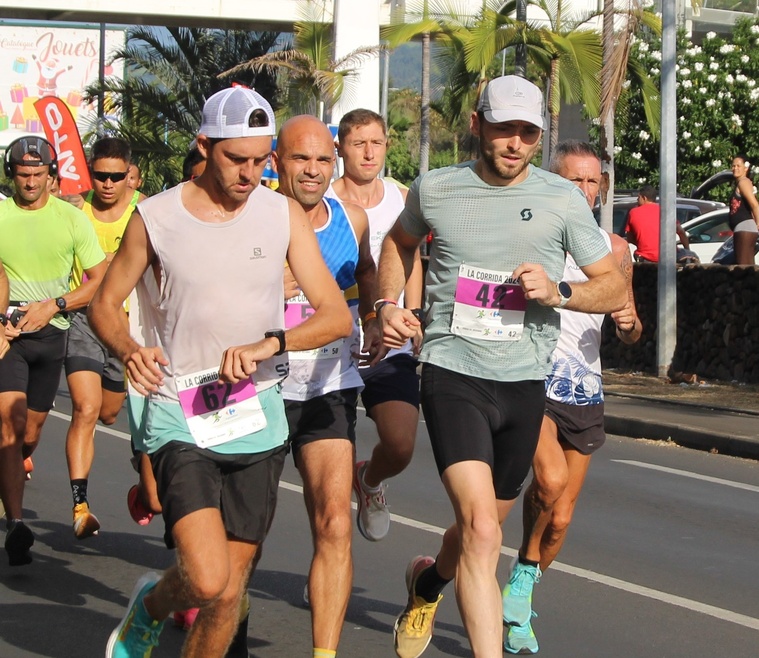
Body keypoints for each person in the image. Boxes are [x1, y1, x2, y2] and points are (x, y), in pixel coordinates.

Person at [89, 87, 352, 658]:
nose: (251, 173)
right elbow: (104, 305)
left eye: (262, 161)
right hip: (177, 409)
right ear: (204, 146)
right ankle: (155, 605)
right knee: (206, 578)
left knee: (228, 594)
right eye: (237, 159)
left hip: (254, 412)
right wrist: (129, 347)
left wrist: (271, 343)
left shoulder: (280, 214)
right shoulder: (154, 217)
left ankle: (160, 612)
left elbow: (334, 317)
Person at [376, 75, 627, 658]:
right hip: (452, 371)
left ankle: (427, 583)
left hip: (524, 383)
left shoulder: (561, 198)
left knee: (475, 530)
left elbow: (612, 287)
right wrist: (388, 305)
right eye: (503, 128)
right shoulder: (436, 188)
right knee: (485, 532)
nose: (515, 142)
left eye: (527, 133)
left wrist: (560, 290)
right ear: (477, 126)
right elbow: (398, 243)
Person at [501, 140, 642, 654]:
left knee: (559, 517)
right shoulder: (534, 235)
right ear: (554, 181)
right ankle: (485, 586)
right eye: (573, 180)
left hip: (585, 385)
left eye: (592, 182)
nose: (583, 190)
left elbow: (629, 328)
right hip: (532, 373)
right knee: (549, 478)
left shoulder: (616, 250)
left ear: (601, 188)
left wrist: (627, 324)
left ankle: (520, 586)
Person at [271, 114, 379, 658]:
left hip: (328, 385)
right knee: (244, 532)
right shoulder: (254, 219)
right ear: (276, 163)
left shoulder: (352, 219)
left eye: (321, 160)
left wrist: (380, 316)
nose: (312, 171)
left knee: (335, 522)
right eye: (299, 159)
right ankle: (224, 616)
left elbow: (367, 272)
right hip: (259, 389)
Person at [0, 136, 106, 566]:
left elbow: (98, 279)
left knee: (28, 436)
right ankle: (17, 524)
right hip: (8, 337)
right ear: (12, 175)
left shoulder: (71, 219)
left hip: (51, 334)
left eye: (37, 175)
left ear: (51, 176)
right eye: (22, 175)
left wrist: (55, 305)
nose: (29, 182)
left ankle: (11, 476)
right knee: (10, 425)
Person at [327, 108, 424, 542]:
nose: (369, 153)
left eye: (377, 143)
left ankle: (369, 481)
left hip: (391, 338)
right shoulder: (322, 199)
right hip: (334, 341)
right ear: (340, 148)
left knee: (401, 446)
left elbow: (412, 258)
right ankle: (330, 564)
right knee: (327, 478)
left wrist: (414, 317)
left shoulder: (402, 197)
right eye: (358, 143)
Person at [64, 137, 142, 539]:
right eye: (100, 176)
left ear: (130, 175)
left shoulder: (144, 212)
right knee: (85, 408)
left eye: (116, 176)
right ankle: (80, 506)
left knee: (109, 412)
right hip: (83, 321)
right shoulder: (75, 212)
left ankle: (142, 468)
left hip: (126, 327)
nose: (108, 184)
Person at [624, 184, 690, 263]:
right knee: (690, 255)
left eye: (638, 197)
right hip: (669, 257)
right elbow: (681, 232)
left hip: (644, 258)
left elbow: (630, 238)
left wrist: (644, 245)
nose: (637, 200)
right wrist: (687, 250)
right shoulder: (665, 211)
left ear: (644, 198)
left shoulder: (633, 212)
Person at [728, 154, 759, 265]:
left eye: (738, 166)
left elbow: (754, 205)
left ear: (746, 168)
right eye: (733, 166)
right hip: (743, 229)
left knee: (742, 269)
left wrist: (758, 223)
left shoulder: (743, 182)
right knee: (748, 269)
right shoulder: (741, 183)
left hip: (745, 228)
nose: (735, 168)